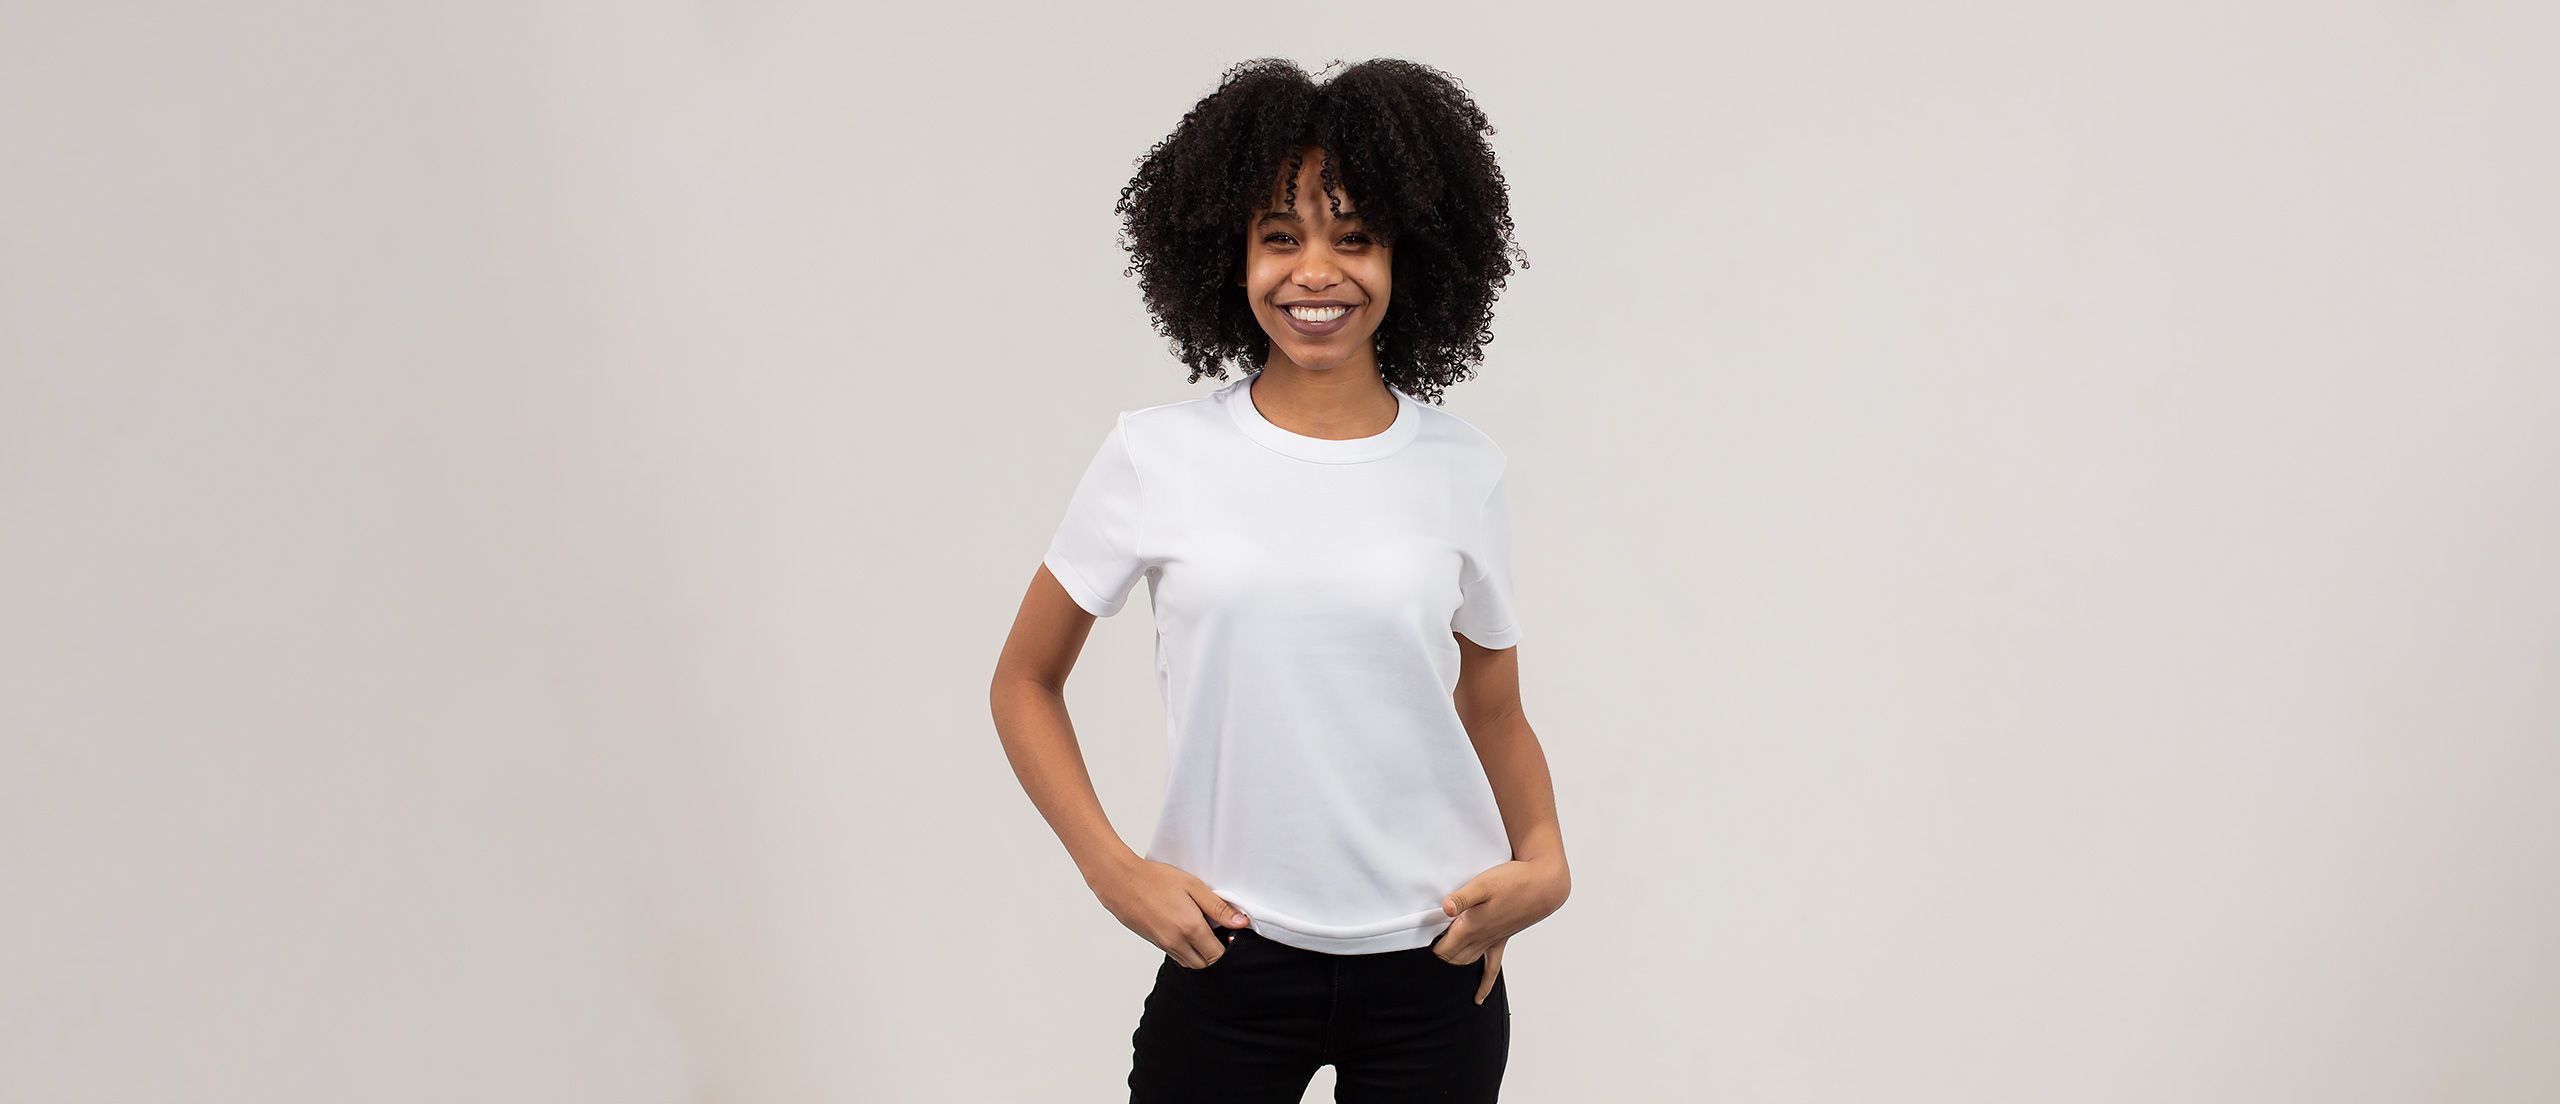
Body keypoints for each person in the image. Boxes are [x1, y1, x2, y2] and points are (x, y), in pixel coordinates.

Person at [989, 56, 1569, 1103]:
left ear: (1408, 256)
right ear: (1231, 255)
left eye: (1354, 237)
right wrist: (1114, 870)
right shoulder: (1156, 456)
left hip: (1436, 965)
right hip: (1228, 956)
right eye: (1280, 236)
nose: (1317, 272)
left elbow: (1493, 708)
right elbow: (1023, 681)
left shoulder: (1463, 469)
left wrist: (1546, 863)